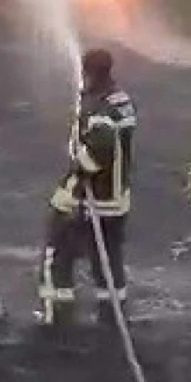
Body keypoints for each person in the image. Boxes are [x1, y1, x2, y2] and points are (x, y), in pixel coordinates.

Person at [37, 48, 137, 327]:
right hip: (117, 201)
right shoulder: (122, 101)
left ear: (89, 73)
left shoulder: (100, 110)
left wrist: (78, 162)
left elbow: (99, 151)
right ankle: (112, 317)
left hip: (91, 200)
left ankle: (58, 318)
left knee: (57, 253)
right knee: (108, 261)